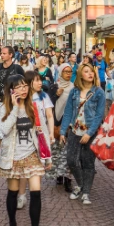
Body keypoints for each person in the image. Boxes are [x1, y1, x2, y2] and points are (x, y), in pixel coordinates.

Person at [0, 74, 51, 226]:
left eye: (25, 85)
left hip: (31, 154)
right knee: (12, 192)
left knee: (36, 192)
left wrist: (47, 156)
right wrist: (16, 109)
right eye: (19, 87)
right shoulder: (3, 107)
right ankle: (12, 225)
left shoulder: (33, 106)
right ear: (11, 90)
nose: (23, 89)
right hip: (12, 156)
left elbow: (42, 131)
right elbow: (3, 130)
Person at [60, 63, 105, 205]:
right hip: (74, 130)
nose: (90, 74)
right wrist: (62, 131)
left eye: (91, 71)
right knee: (71, 160)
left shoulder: (98, 92)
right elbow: (68, 112)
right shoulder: (74, 92)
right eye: (86, 71)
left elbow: (99, 116)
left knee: (88, 162)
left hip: (90, 132)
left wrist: (90, 133)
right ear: (80, 75)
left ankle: (86, 192)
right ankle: (80, 184)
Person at [16, 70, 56, 210]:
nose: (40, 83)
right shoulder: (23, 97)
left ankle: (35, 194)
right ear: (29, 82)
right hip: (25, 136)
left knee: (38, 166)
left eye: (40, 80)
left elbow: (49, 116)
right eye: (37, 80)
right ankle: (21, 196)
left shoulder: (43, 96)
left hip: (40, 134)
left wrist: (51, 133)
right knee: (23, 167)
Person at [47, 63, 74, 191]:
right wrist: (56, 94)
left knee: (68, 152)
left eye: (70, 72)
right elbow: (48, 104)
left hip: (68, 124)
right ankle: (59, 175)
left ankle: (68, 179)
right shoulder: (54, 87)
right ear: (60, 73)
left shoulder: (74, 88)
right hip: (55, 123)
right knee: (57, 151)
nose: (68, 74)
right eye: (66, 71)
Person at [0, 46, 25, 119]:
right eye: (1, 53)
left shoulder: (18, 68)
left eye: (4, 53)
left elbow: (24, 84)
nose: (1, 55)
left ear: (10, 55)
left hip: (14, 102)